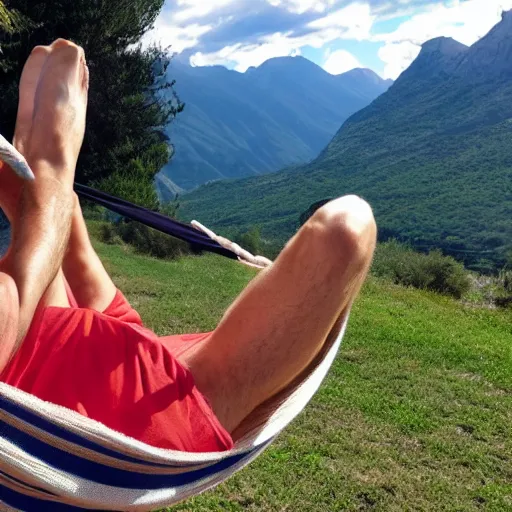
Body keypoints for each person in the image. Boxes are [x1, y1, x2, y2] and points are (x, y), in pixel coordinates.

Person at [0, 40, 377, 453]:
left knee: (53, 220)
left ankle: (28, 180)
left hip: (49, 355)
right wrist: (57, 158)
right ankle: (36, 173)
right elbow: (15, 303)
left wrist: (44, 188)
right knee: (348, 225)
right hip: (132, 419)